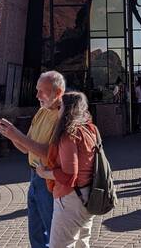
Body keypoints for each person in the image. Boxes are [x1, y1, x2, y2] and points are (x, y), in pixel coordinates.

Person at [0, 71, 65, 248]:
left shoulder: (63, 117)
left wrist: (16, 134)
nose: (37, 95)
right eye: (37, 90)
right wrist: (11, 135)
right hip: (34, 177)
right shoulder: (41, 112)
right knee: (36, 233)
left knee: (53, 233)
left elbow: (50, 153)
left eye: (42, 91)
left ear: (58, 93)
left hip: (49, 181)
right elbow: (27, 148)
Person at [36, 92, 98, 248]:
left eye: (61, 106)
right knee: (82, 242)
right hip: (88, 193)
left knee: (60, 244)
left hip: (70, 198)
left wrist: (44, 173)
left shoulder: (69, 134)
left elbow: (69, 176)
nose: (59, 110)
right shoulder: (90, 129)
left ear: (68, 109)